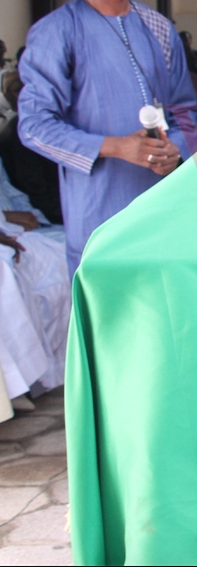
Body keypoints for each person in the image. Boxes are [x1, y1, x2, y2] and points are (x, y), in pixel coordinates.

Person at [18, 0, 197, 275]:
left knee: (166, 312)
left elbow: (185, 110)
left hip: (163, 207)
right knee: (107, 318)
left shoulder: (159, 28)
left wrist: (177, 147)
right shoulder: (57, 33)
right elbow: (34, 125)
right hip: (98, 213)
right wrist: (116, 147)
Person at [0, 158, 70, 399]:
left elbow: (12, 194)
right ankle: (17, 387)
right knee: (7, 271)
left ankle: (58, 368)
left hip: (18, 231)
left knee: (71, 253)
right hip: (6, 235)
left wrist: (28, 217)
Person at [0, 69, 62, 224]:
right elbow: (37, 191)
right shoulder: (17, 135)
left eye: (28, 87)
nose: (24, 94)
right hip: (47, 214)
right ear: (7, 97)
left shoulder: (51, 124)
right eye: (17, 89)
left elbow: (13, 192)